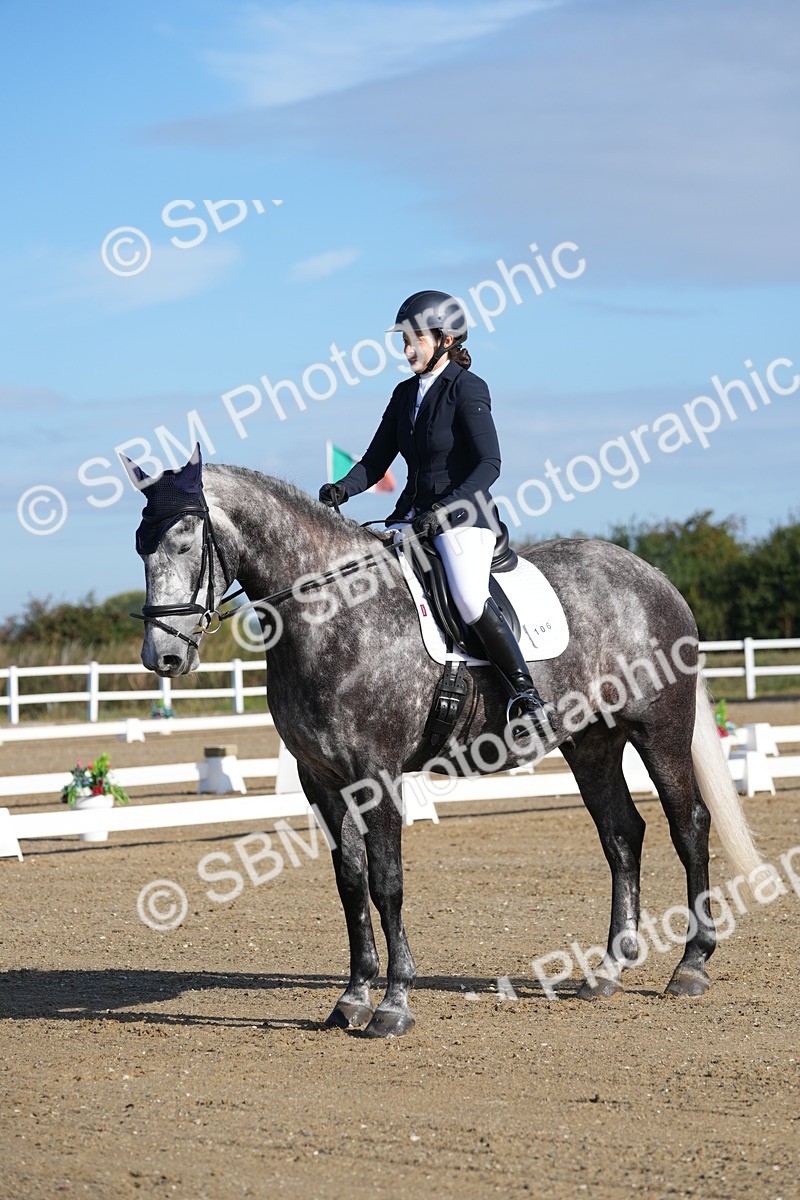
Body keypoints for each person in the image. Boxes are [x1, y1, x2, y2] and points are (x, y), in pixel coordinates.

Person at [319, 289, 552, 737]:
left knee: (467, 596)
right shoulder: (405, 394)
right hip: (411, 517)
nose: (406, 351)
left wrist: (444, 510)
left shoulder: (468, 388)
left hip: (465, 519)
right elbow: (374, 461)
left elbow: (490, 464)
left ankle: (526, 697)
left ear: (445, 340)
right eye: (403, 341)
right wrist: (340, 491)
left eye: (414, 341)